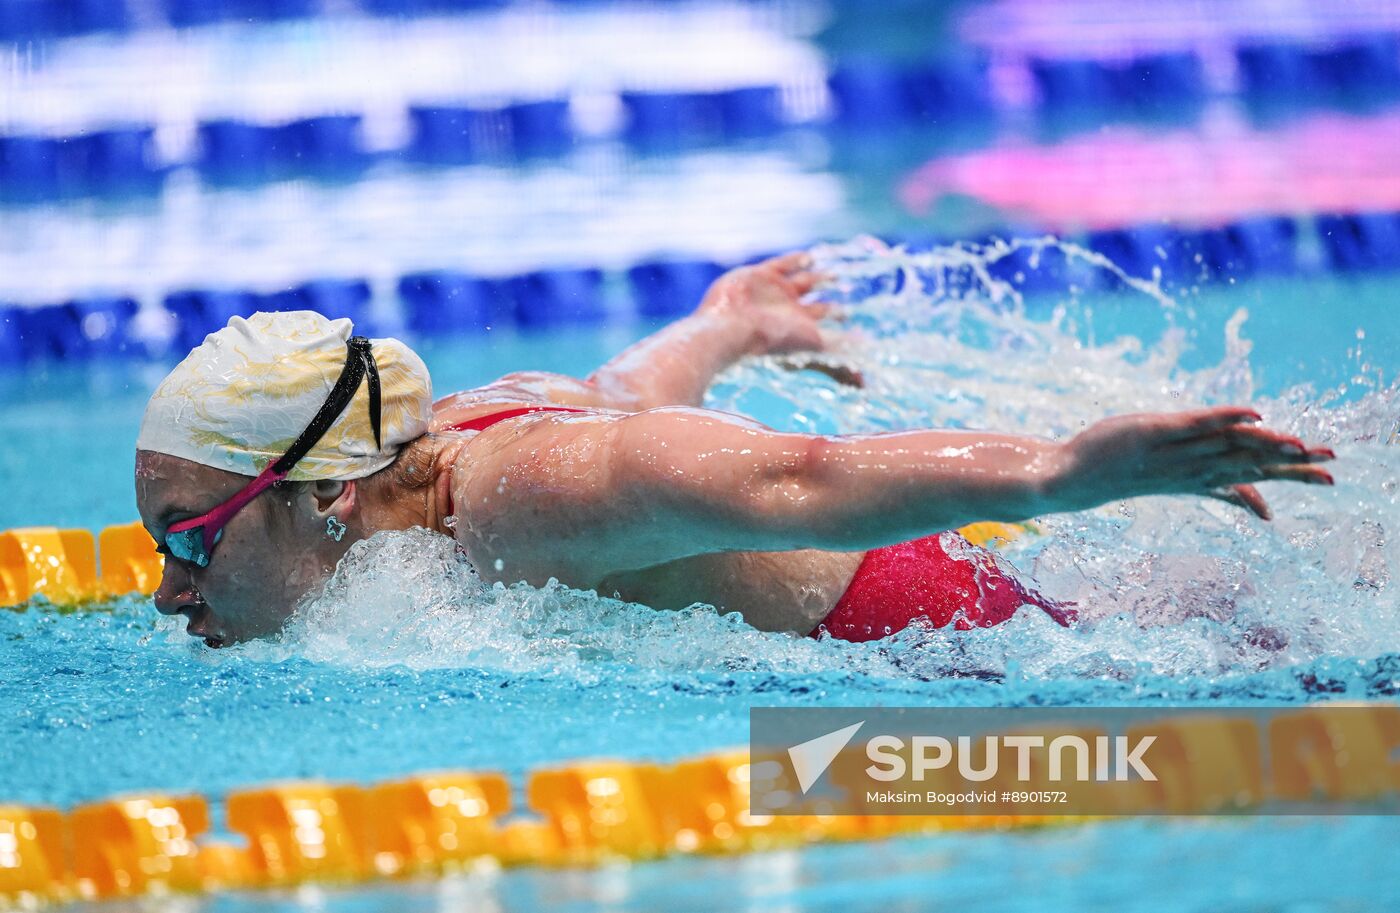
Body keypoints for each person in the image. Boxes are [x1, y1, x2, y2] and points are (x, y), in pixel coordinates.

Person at [135, 252, 1335, 648]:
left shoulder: (513, 505)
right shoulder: (431, 444)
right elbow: (607, 390)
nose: (166, 588)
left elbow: (786, 475)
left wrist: (1062, 473)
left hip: (942, 639)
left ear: (321, 494)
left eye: (189, 539)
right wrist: (726, 326)